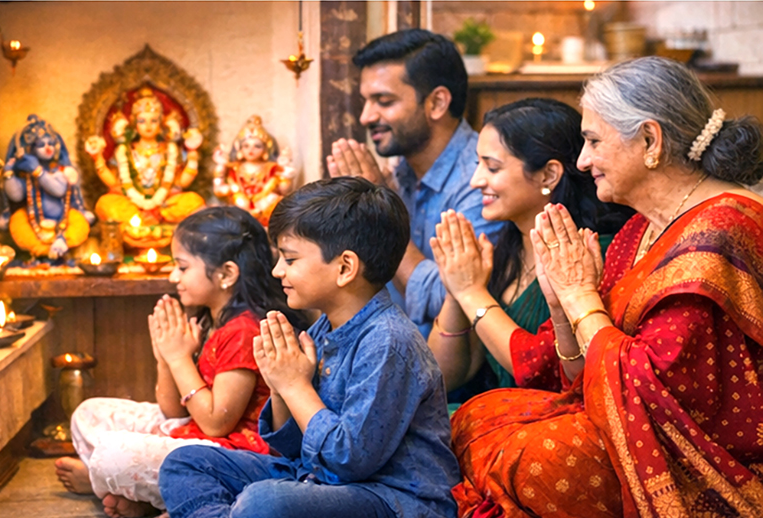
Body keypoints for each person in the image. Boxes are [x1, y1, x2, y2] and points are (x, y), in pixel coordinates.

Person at [451, 56, 763, 518]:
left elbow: (648, 391)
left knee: (526, 461)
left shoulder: (722, 231)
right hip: (619, 429)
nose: (581, 161)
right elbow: (583, 380)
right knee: (480, 415)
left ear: (650, 142)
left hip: (702, 462)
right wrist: (561, 303)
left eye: (593, 141)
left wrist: (580, 299)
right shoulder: (638, 227)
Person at [159, 177, 459, 518]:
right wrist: (282, 387)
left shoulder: (388, 341)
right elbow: (291, 449)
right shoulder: (322, 329)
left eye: (290, 259)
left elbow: (350, 460)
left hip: (391, 503)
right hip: (316, 480)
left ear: (345, 267)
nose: (277, 272)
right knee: (184, 464)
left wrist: (295, 385)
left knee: (262, 507)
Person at [55, 206, 305, 518]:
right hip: (197, 430)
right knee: (88, 414)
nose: (174, 277)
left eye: (182, 267)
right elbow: (175, 411)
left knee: (113, 456)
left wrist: (178, 358)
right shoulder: (209, 320)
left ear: (227, 274)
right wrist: (166, 359)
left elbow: (217, 422)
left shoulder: (244, 330)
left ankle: (109, 483)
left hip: (236, 454)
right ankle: (152, 496)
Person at [427, 98, 633, 403]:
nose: (475, 181)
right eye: (477, 164)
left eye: (492, 167)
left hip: (552, 425)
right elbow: (444, 375)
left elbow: (542, 371)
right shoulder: (502, 251)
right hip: (497, 416)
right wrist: (456, 288)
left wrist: (472, 293)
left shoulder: (591, 253)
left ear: (549, 175)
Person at [326, 29, 503, 337]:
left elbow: (451, 299)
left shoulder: (481, 179)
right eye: (366, 101)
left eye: (384, 101)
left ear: (436, 103)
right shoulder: (401, 171)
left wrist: (380, 219)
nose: (367, 116)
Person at [86, 87, 205, 237]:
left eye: (153, 121)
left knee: (194, 201)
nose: (148, 126)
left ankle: (145, 230)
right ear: (134, 123)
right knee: (105, 203)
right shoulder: (124, 151)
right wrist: (98, 159)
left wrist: (193, 155)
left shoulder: (171, 150)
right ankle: (152, 230)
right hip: (132, 207)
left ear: (161, 123)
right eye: (142, 121)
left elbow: (181, 182)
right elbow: (114, 183)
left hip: (165, 206)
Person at [0, 114, 93, 259]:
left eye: (50, 144)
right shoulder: (28, 174)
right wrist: (9, 174)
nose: (47, 148)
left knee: (79, 224)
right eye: (41, 145)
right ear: (32, 149)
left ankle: (62, 244)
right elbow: (16, 195)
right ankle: (42, 250)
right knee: (17, 221)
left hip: (64, 218)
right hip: (35, 221)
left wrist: (38, 171)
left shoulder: (61, 169)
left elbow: (59, 190)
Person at [212, 115, 296, 226]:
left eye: (257, 146)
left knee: (274, 200)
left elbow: (285, 191)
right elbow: (219, 190)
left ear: (265, 149)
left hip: (265, 208)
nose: (251, 150)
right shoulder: (234, 167)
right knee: (238, 203)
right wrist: (221, 167)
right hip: (241, 208)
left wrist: (286, 176)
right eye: (246, 146)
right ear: (240, 148)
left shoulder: (271, 167)